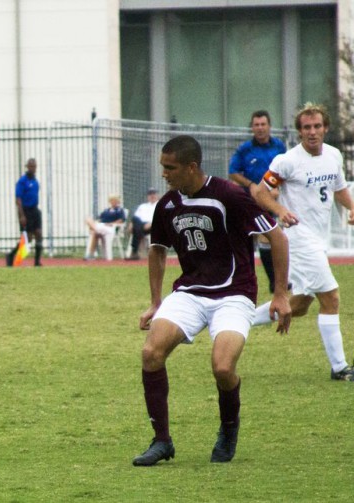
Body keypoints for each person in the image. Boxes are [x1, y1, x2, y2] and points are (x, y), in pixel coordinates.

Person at [132, 135, 291, 467]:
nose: (164, 174)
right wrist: (154, 301)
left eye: (169, 167)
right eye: (163, 167)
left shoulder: (229, 196)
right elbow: (157, 251)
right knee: (151, 353)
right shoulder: (168, 204)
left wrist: (279, 294)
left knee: (222, 367)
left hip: (234, 294)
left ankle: (229, 427)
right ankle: (162, 441)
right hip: (190, 292)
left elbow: (276, 236)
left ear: (192, 167)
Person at [251, 103, 354, 381]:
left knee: (298, 306)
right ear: (299, 132)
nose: (312, 132)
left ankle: (238, 321)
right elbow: (260, 192)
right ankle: (340, 368)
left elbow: (339, 189)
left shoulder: (333, 156)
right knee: (331, 297)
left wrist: (352, 206)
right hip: (298, 239)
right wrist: (280, 210)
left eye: (317, 126)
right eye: (306, 127)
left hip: (319, 239)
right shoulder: (287, 161)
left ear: (325, 128)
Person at [229, 110, 287, 293]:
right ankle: (244, 279)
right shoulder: (245, 149)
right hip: (250, 202)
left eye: (263, 124)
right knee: (252, 239)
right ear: (252, 127)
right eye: (256, 125)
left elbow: (287, 170)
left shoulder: (279, 147)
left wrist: (277, 188)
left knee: (270, 236)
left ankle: (275, 280)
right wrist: (251, 185)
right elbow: (233, 172)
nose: (260, 128)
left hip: (273, 201)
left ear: (269, 126)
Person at [6, 158, 43, 267]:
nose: (33, 168)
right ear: (27, 167)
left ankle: (37, 262)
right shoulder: (22, 181)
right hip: (26, 212)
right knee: (28, 239)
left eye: (34, 166)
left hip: (35, 210)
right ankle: (11, 255)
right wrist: (22, 215)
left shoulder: (35, 181)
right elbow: (18, 199)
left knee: (39, 234)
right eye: (31, 166)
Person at [84, 195, 125, 261]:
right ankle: (91, 255)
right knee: (92, 227)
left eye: (115, 200)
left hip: (110, 228)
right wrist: (96, 222)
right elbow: (100, 219)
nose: (114, 202)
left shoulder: (120, 210)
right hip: (101, 226)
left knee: (90, 225)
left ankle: (93, 229)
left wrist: (111, 223)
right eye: (112, 200)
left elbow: (121, 220)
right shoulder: (106, 210)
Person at [125, 188, 159, 260]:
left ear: (157, 195)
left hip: (153, 226)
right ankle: (135, 253)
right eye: (150, 194)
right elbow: (136, 217)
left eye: (154, 194)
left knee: (136, 229)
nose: (152, 196)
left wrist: (151, 223)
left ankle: (134, 252)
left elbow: (161, 218)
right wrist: (131, 224)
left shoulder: (160, 205)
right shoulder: (143, 206)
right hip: (141, 225)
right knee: (135, 221)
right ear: (148, 196)